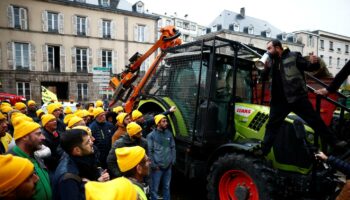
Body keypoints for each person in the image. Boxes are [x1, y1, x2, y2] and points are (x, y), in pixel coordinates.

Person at [259, 39, 346, 156]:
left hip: (297, 98)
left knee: (315, 120)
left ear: (278, 47)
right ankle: (263, 151)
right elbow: (263, 78)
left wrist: (314, 62)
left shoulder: (294, 56)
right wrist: (265, 68)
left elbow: (309, 67)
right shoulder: (271, 62)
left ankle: (335, 143)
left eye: (269, 48)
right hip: (279, 102)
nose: (267, 51)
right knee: (271, 126)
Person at [53, 129, 110, 200]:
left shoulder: (84, 157)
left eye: (90, 139)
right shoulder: (68, 178)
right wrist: (97, 183)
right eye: (87, 142)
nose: (92, 142)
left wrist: (99, 174)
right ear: (77, 150)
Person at [8, 118, 52, 200]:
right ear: (24, 137)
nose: (43, 138)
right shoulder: (12, 162)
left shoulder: (34, 154)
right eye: (38, 134)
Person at [147, 114, 176, 200]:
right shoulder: (151, 136)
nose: (166, 123)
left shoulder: (169, 133)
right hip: (157, 168)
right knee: (154, 189)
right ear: (158, 123)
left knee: (166, 187)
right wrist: (154, 165)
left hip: (168, 167)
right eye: (163, 121)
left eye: (166, 121)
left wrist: (172, 161)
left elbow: (173, 147)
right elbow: (150, 151)